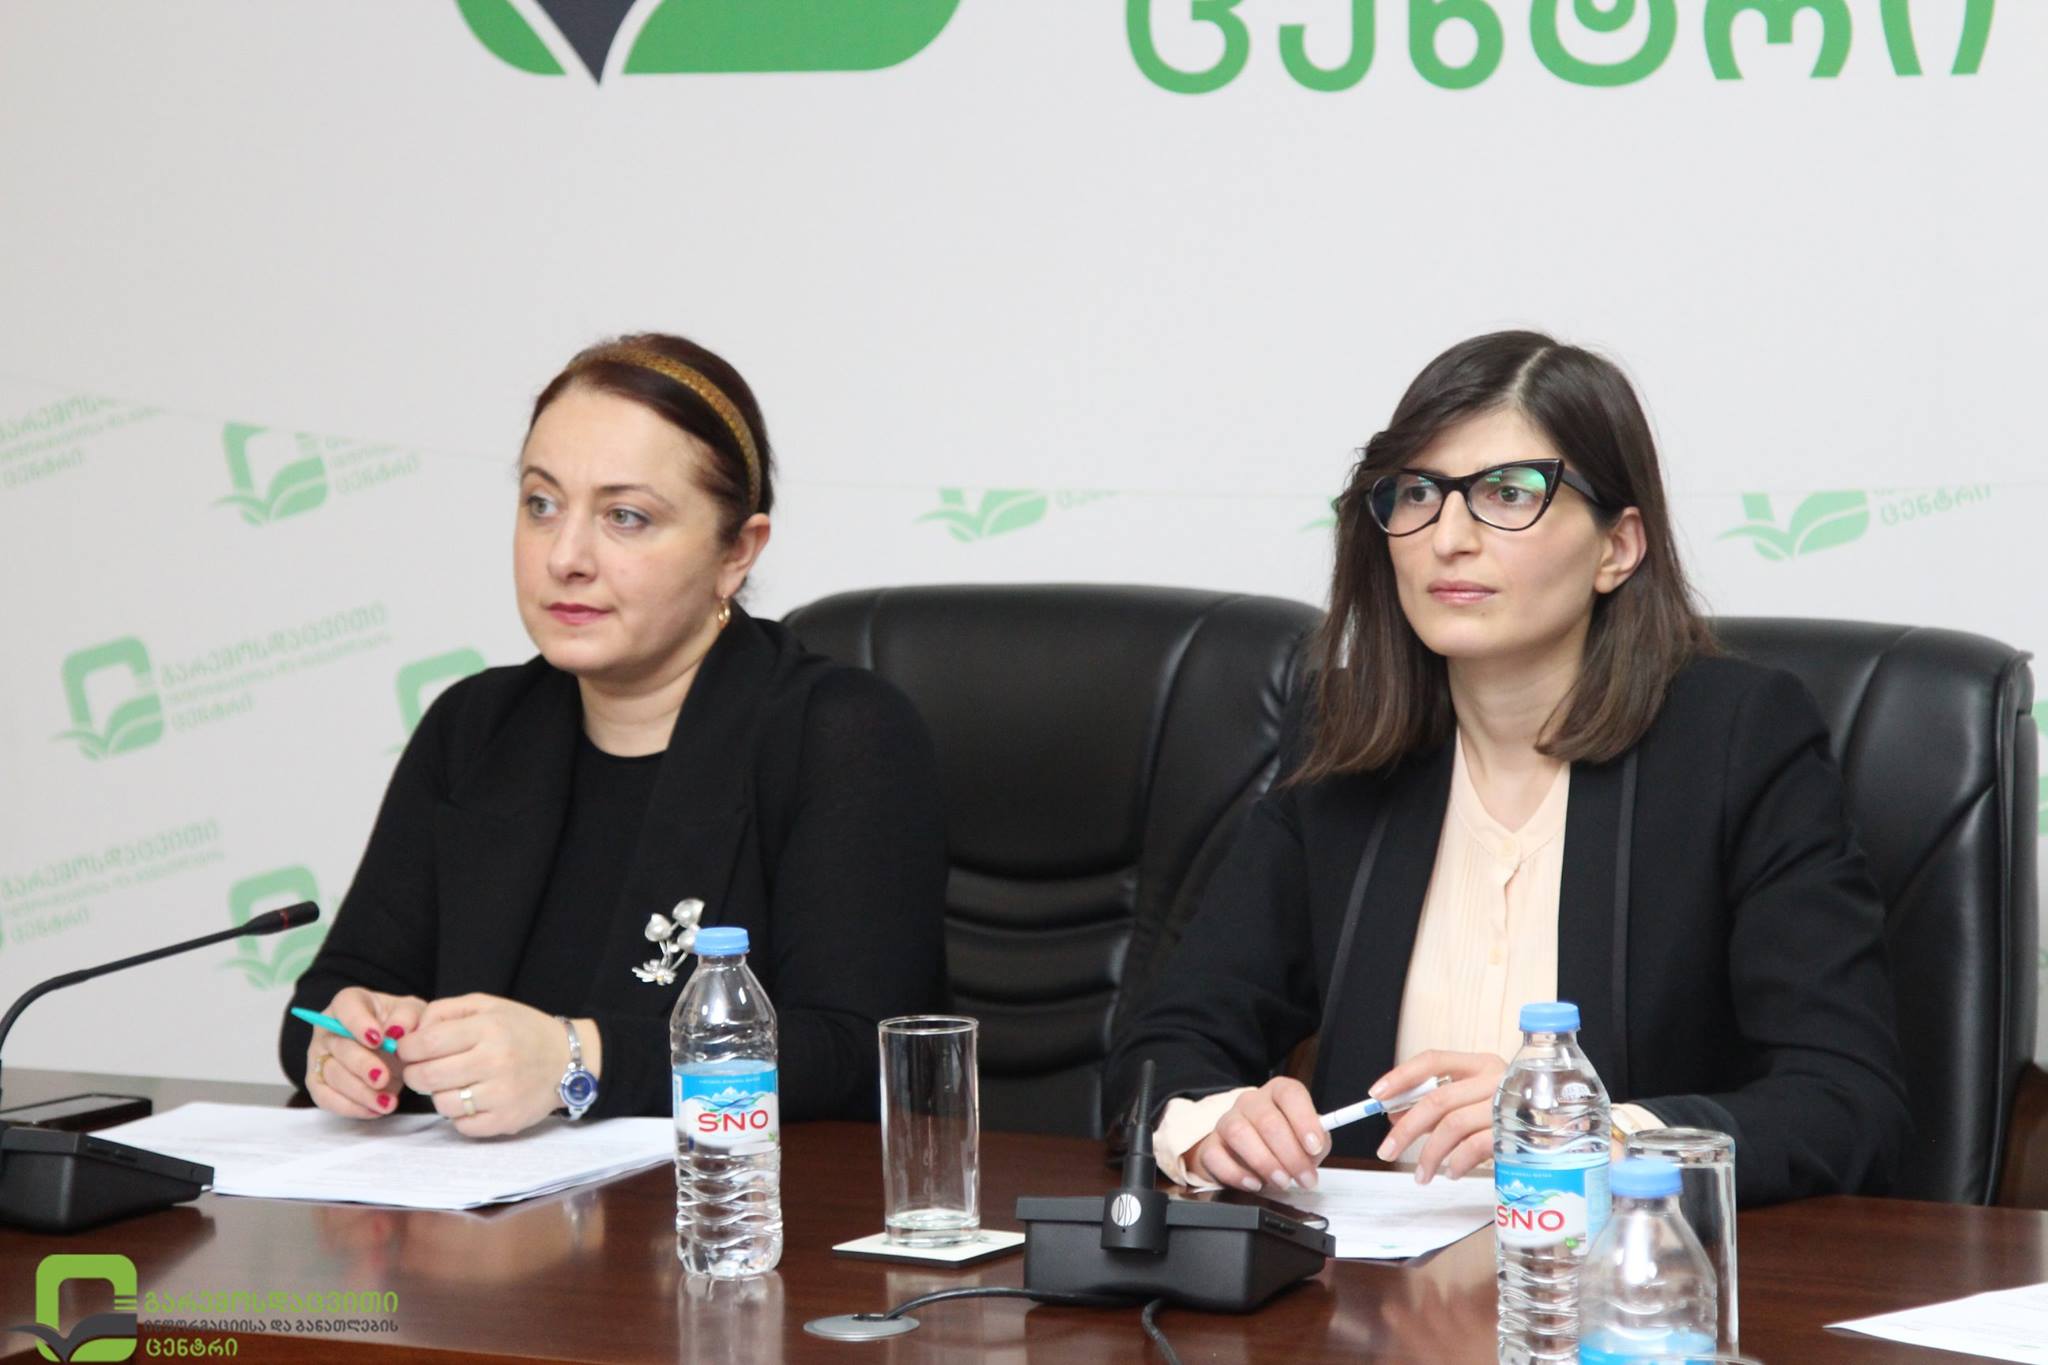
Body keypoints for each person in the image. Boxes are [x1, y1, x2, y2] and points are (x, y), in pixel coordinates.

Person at [1104, 331, 1909, 1209]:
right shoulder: (1345, 742)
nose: (1448, 537)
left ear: (1617, 548)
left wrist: (1597, 1136)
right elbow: (1166, 1049)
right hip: (1371, 1282)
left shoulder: (1735, 743)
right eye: (1418, 493)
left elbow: (1847, 1101)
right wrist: (1216, 1120)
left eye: (1508, 493)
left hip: (1622, 1272)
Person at [282, 333, 949, 1135]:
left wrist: (578, 1059)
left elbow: (857, 1055)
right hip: (484, 1207)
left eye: (626, 517)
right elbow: (331, 994)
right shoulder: (474, 728)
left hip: (732, 1208)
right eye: (541, 504)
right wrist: (347, 1041)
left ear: (736, 552)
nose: (566, 555)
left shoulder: (839, 734)